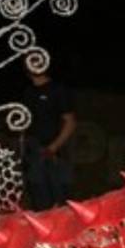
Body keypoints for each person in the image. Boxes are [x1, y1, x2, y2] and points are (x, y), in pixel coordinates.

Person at [19, 62, 76, 212]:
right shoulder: (28, 92)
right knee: (39, 200)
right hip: (33, 151)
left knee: (60, 201)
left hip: (55, 152)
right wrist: (22, 146)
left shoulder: (58, 90)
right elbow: (26, 122)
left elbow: (70, 122)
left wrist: (54, 147)